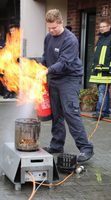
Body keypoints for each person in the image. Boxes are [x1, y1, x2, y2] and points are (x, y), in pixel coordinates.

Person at [36, 9, 94, 162]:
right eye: (49, 27)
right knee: (56, 113)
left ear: (61, 22)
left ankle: (85, 148)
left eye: (54, 27)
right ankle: (56, 144)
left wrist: (46, 71)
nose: (51, 30)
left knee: (71, 112)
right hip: (54, 78)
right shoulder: (48, 37)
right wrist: (40, 67)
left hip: (69, 79)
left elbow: (63, 63)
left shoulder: (70, 40)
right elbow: (45, 56)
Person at [89, 19, 111, 120]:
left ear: (109, 26)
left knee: (103, 90)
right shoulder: (100, 39)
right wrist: (94, 67)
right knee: (103, 91)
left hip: (107, 70)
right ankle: (105, 111)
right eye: (100, 27)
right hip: (98, 71)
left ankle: (100, 112)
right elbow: (97, 55)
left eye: (104, 26)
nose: (101, 28)